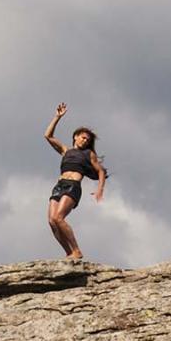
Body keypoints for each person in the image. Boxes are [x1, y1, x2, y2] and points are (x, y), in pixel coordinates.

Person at [43, 102, 107, 260]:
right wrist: (57, 117)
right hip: (59, 185)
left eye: (87, 139)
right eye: (83, 137)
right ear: (75, 137)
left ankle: (77, 250)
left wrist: (100, 189)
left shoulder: (88, 154)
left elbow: (100, 171)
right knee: (52, 221)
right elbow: (48, 136)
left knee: (59, 218)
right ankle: (69, 252)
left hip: (73, 186)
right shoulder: (66, 150)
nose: (85, 141)